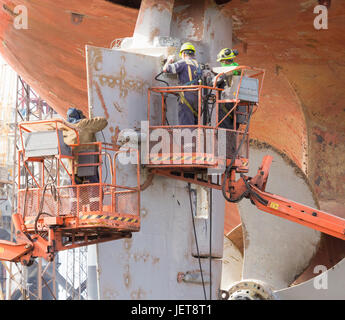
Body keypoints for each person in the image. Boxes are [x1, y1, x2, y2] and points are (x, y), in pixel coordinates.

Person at [63, 107, 108, 212]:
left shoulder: (66, 128)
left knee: (75, 192)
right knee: (94, 188)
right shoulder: (84, 124)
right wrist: (86, 120)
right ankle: (95, 209)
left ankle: (74, 211)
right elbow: (103, 122)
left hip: (72, 167)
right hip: (88, 164)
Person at [163, 42, 202, 126]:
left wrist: (169, 60)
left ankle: (187, 139)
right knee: (195, 124)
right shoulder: (199, 65)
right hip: (198, 97)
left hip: (186, 96)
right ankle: (195, 139)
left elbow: (166, 69)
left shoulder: (183, 63)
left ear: (183, 53)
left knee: (186, 123)